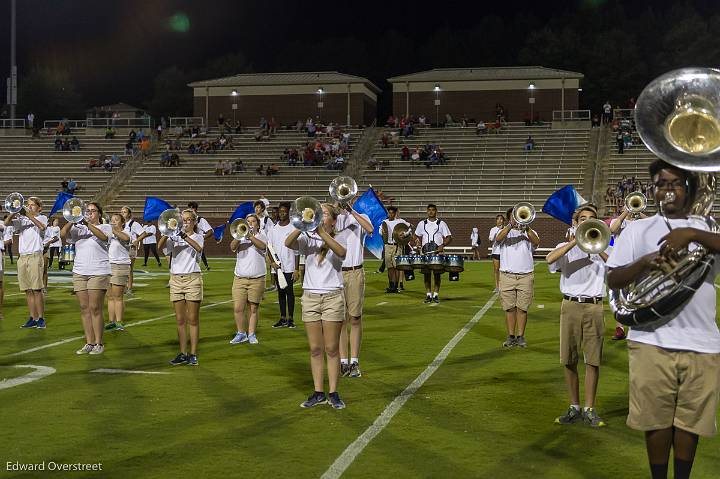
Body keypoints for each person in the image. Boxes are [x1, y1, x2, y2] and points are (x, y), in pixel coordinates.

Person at [607, 159, 720, 479]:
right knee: (655, 421)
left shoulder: (708, 227)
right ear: (652, 190)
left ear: (688, 188)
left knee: (690, 422)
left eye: (674, 183)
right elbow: (613, 279)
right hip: (650, 340)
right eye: (660, 184)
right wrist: (645, 262)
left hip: (702, 341)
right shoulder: (637, 228)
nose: (667, 190)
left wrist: (690, 233)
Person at [546, 205, 608, 429]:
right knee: (569, 358)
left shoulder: (604, 245)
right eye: (582, 219)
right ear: (575, 223)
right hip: (570, 305)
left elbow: (617, 268)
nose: (587, 222)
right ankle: (574, 406)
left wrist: (598, 245)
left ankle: (590, 408)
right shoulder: (565, 246)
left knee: (593, 360)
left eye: (591, 219)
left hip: (594, 306)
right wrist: (576, 241)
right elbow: (549, 260)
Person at [285, 204, 349, 409]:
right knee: (315, 348)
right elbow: (288, 243)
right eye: (318, 213)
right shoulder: (307, 238)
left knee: (331, 348)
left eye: (325, 214)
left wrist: (322, 232)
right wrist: (302, 224)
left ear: (333, 221)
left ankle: (334, 392)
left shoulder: (340, 236)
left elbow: (341, 252)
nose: (320, 216)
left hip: (332, 296)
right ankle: (318, 392)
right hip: (310, 296)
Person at [61, 202, 113, 354]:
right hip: (79, 271)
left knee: (95, 307)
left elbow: (103, 237)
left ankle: (99, 343)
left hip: (98, 271)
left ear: (99, 213)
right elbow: (63, 234)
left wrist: (87, 224)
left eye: (93, 211)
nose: (90, 213)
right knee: (84, 308)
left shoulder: (105, 227)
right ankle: (89, 342)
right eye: (87, 211)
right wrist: (73, 219)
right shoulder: (78, 228)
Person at [158, 209, 204, 366]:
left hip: (192, 278)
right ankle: (183, 353)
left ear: (194, 222)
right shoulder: (173, 237)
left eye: (189, 220)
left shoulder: (198, 236)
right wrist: (167, 231)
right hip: (176, 279)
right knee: (179, 319)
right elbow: (159, 247)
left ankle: (193, 353)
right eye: (183, 220)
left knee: (193, 319)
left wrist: (183, 236)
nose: (185, 223)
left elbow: (198, 249)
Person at [337, 200, 374, 378]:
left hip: (355, 271)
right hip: (335, 273)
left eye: (348, 196)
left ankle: (355, 361)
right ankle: (343, 362)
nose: (344, 200)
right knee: (340, 320)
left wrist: (351, 211)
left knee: (355, 318)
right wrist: (336, 211)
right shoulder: (335, 218)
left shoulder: (361, 216)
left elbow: (370, 229)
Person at [495, 207, 539, 348]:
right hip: (507, 274)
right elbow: (498, 238)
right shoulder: (504, 231)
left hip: (525, 275)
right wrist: (510, 226)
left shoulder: (529, 231)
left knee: (522, 308)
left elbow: (536, 242)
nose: (517, 219)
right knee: (509, 308)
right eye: (514, 216)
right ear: (509, 218)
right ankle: (510, 336)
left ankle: (520, 336)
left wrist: (526, 228)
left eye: (519, 216)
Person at [608, 199, 648, 340]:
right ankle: (620, 328)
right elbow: (612, 230)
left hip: (639, 264)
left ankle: (637, 327)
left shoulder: (641, 223)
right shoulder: (619, 221)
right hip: (622, 264)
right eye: (629, 204)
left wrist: (639, 212)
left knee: (639, 296)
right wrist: (626, 211)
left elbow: (652, 226)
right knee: (620, 298)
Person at [5, 196, 47, 329]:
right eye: (27, 205)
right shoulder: (22, 220)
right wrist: (13, 211)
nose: (29, 207)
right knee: (27, 290)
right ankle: (32, 317)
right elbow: (6, 223)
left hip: (35, 255)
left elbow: (41, 227)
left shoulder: (41, 217)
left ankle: (41, 318)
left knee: (36, 289)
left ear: (39, 208)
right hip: (22, 257)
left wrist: (28, 215)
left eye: (32, 205)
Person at [229, 214, 267, 345]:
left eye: (253, 221)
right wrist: (239, 236)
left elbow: (263, 247)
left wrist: (250, 236)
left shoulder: (262, 235)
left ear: (257, 224)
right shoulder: (240, 237)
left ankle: (251, 334)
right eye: (248, 221)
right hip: (240, 278)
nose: (250, 223)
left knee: (253, 308)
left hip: (257, 279)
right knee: (238, 308)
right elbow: (232, 247)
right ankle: (241, 333)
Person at [268, 202, 300, 329]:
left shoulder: (293, 228)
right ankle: (282, 318)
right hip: (277, 267)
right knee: (280, 293)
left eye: (284, 211)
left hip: (289, 265)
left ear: (288, 213)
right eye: (280, 211)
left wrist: (296, 269)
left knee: (289, 292)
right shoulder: (273, 229)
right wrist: (272, 262)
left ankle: (291, 318)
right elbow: (269, 247)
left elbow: (297, 250)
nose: (281, 214)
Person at [413, 204, 452, 303]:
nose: (431, 212)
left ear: (436, 211)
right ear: (427, 211)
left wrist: (443, 245)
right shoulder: (422, 223)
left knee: (437, 274)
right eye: (429, 210)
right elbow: (415, 235)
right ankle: (428, 294)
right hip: (425, 252)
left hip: (437, 252)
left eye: (433, 210)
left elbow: (449, 237)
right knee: (426, 274)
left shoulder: (441, 223)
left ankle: (436, 295)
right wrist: (417, 241)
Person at [105, 213, 133, 332]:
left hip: (120, 265)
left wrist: (112, 229)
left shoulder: (126, 232)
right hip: (108, 265)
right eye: (112, 220)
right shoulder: (109, 233)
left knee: (118, 296)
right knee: (110, 296)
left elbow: (126, 239)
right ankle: (111, 321)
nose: (113, 221)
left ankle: (119, 321)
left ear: (122, 222)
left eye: (116, 220)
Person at [381, 206, 411, 293]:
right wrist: (382, 232)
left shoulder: (400, 221)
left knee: (397, 267)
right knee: (390, 267)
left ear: (395, 213)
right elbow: (381, 232)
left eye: (392, 213)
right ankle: (391, 286)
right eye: (389, 213)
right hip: (387, 246)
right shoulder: (384, 222)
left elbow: (410, 227)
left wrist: (405, 234)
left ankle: (396, 286)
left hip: (397, 246)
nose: (390, 214)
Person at [120, 206, 149, 295]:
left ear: (129, 214)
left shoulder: (134, 224)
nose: (122, 213)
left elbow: (144, 233)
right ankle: (124, 287)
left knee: (129, 269)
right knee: (122, 268)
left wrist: (137, 240)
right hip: (122, 248)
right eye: (121, 212)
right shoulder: (120, 224)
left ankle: (129, 288)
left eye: (124, 212)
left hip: (131, 248)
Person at [187, 202, 213, 271]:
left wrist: (201, 238)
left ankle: (205, 266)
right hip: (187, 242)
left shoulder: (200, 220)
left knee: (198, 257)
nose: (191, 210)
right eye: (190, 208)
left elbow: (210, 231)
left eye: (193, 208)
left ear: (196, 210)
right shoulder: (185, 221)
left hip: (197, 243)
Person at [488, 214, 505, 292]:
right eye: (498, 219)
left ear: (503, 221)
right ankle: (497, 286)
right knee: (496, 269)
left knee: (505, 270)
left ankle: (505, 285)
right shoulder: (493, 229)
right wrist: (498, 231)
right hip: (496, 252)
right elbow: (491, 239)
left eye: (501, 219)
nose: (499, 221)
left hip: (505, 252)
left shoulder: (506, 229)